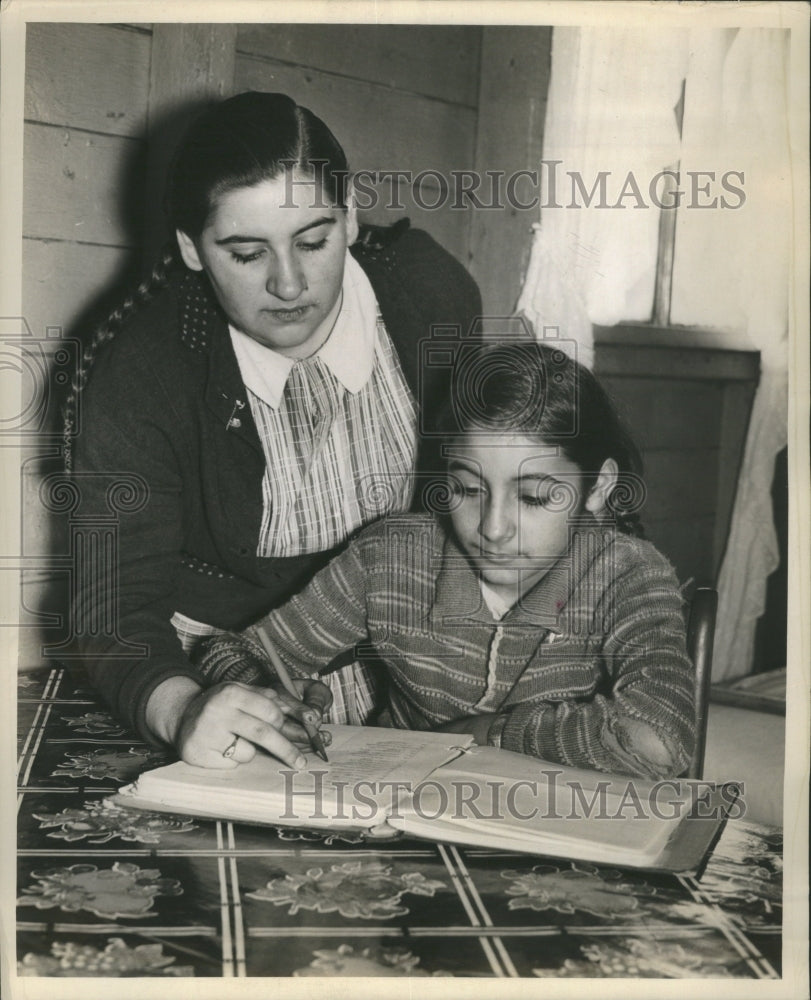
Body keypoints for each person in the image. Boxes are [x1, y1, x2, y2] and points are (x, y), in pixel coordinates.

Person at [65, 91, 481, 771]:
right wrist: (181, 710)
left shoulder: (433, 297)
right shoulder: (144, 369)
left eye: (313, 241)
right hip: (225, 682)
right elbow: (113, 604)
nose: (289, 284)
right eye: (246, 253)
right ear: (192, 251)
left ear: (348, 217)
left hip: (419, 661)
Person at [197, 340, 696, 780]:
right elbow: (235, 650)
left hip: (554, 837)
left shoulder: (628, 574)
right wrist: (269, 693)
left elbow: (658, 740)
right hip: (401, 824)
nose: (494, 528)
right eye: (467, 489)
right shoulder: (393, 558)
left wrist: (486, 733)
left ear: (598, 487)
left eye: (535, 498)